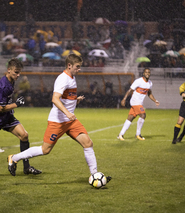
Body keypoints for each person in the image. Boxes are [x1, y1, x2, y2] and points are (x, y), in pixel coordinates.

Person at [7, 54, 110, 182]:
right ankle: (14, 158)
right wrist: (67, 112)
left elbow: (65, 98)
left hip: (70, 122)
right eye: (77, 67)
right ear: (69, 66)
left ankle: (94, 174)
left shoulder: (72, 77)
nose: (79, 69)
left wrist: (74, 100)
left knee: (88, 143)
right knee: (45, 150)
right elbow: (55, 99)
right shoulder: (63, 79)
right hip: (58, 121)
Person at [117, 68, 160, 141]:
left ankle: (120, 134)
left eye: (149, 72)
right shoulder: (138, 81)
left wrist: (155, 100)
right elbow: (130, 90)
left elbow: (149, 93)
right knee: (143, 115)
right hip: (135, 101)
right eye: (146, 72)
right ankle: (138, 134)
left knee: (130, 118)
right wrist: (124, 99)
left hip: (139, 103)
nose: (147, 73)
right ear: (143, 73)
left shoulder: (150, 83)